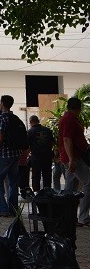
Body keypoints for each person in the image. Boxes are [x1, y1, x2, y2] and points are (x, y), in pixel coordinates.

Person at [58, 96, 90, 226]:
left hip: (72, 157)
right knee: (88, 182)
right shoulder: (69, 120)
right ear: (79, 108)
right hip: (74, 158)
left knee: (69, 189)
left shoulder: (69, 118)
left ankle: (66, 217)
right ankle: (83, 217)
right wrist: (71, 159)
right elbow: (67, 139)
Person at [0, 95, 22, 217]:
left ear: (2, 104)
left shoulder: (1, 118)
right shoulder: (16, 118)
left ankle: (2, 209)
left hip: (4, 154)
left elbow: (0, 137)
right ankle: (13, 208)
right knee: (13, 182)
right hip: (16, 154)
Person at [27, 115, 54, 192]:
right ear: (38, 121)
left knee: (36, 177)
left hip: (36, 158)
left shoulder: (29, 132)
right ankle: (48, 194)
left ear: (31, 122)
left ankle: (37, 195)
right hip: (47, 157)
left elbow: (27, 147)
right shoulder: (48, 130)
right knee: (47, 177)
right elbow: (52, 143)